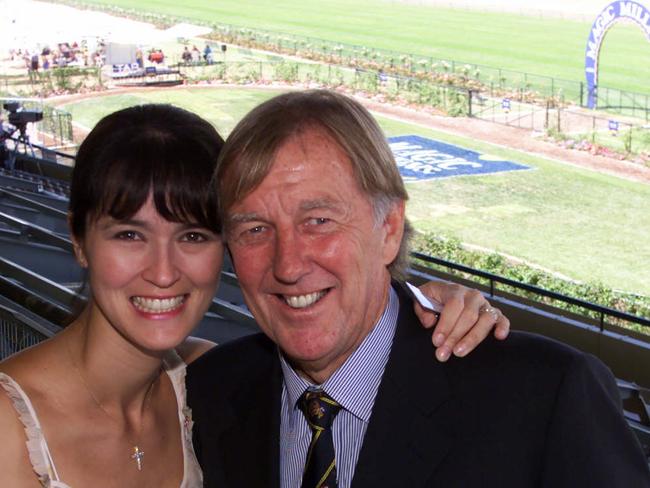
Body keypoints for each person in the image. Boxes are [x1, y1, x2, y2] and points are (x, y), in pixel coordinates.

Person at [0, 103, 508, 487]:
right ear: (78, 241)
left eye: (193, 236)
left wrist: (429, 300)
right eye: (128, 235)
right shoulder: (9, 426)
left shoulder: (209, 386)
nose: (162, 272)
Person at [187, 90, 650, 487]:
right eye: (254, 230)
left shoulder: (547, 398)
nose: (287, 264)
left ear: (389, 228)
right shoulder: (212, 391)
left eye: (319, 221)